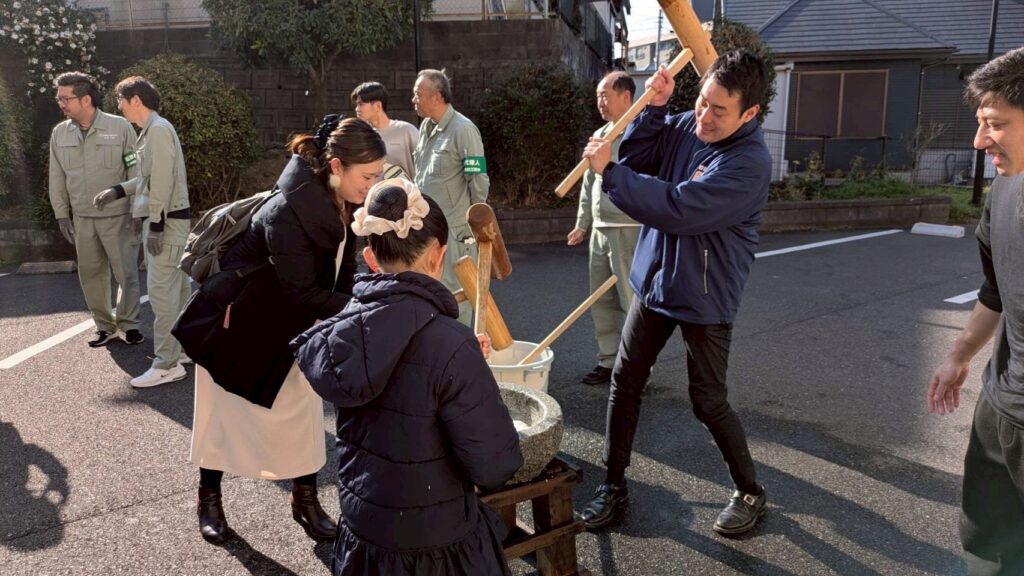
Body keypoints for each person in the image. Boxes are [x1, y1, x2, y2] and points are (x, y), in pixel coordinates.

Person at [578, 50, 773, 535]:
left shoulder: (748, 164)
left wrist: (609, 173)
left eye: (719, 110)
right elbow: (641, 157)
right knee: (625, 381)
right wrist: (656, 109)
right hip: (656, 280)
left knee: (708, 400)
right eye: (702, 102)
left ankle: (750, 490)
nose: (704, 116)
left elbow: (678, 207)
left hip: (705, 294)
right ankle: (613, 484)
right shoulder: (690, 124)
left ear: (749, 113)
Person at [292, 177, 523, 576]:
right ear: (437, 256)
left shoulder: (344, 333)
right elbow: (495, 465)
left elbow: (397, 370)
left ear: (371, 258)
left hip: (365, 537)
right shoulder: (451, 345)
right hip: (438, 547)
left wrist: (460, 359)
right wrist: (465, 364)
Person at [187, 116, 386, 545]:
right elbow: (304, 294)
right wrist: (369, 306)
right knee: (220, 421)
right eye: (368, 176)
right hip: (237, 328)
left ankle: (305, 502)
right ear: (336, 166)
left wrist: (366, 295)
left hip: (289, 328)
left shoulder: (340, 199)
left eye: (378, 176)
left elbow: (342, 272)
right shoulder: (287, 212)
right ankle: (208, 500)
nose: (373, 185)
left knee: (301, 417)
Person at [927, 47, 1024, 575]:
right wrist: (959, 356)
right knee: (985, 546)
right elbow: (996, 289)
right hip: (1000, 405)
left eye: (996, 124)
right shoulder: (1005, 188)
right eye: (981, 123)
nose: (980, 141)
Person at [95, 76, 191, 388]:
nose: (119, 106)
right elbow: (149, 179)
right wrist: (118, 190)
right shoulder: (155, 130)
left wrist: (157, 225)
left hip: (166, 223)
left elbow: (162, 182)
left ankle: (167, 364)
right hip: (170, 221)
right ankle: (180, 350)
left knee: (163, 297)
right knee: (177, 292)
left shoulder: (158, 131)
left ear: (136, 100)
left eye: (120, 100)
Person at [48, 71, 143, 348]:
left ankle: (130, 324)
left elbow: (135, 169)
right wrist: (61, 214)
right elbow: (56, 176)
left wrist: (137, 207)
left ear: (86, 99)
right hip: (82, 218)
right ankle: (104, 326)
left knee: (126, 273)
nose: (61, 103)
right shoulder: (60, 133)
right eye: (59, 98)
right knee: (91, 275)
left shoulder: (120, 127)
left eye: (66, 98)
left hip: (119, 216)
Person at [567, 71, 641, 386]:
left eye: (605, 95)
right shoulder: (600, 134)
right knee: (601, 300)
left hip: (628, 226)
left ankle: (636, 369)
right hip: (600, 228)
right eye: (598, 95)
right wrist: (582, 224)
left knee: (630, 300)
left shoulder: (640, 133)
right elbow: (588, 183)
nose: (600, 102)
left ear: (626, 96)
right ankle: (609, 361)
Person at [412, 69, 490, 324]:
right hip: (428, 229)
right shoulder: (426, 127)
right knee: (431, 291)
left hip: (456, 232)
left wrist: (474, 223)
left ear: (437, 96)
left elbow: (478, 180)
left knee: (459, 296)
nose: (413, 99)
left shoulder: (464, 130)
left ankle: (461, 344)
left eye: (418, 94)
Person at [351, 81, 419, 179]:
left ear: (378, 106)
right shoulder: (362, 136)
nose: (357, 109)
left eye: (361, 104)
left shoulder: (406, 130)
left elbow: (424, 165)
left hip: (407, 188)